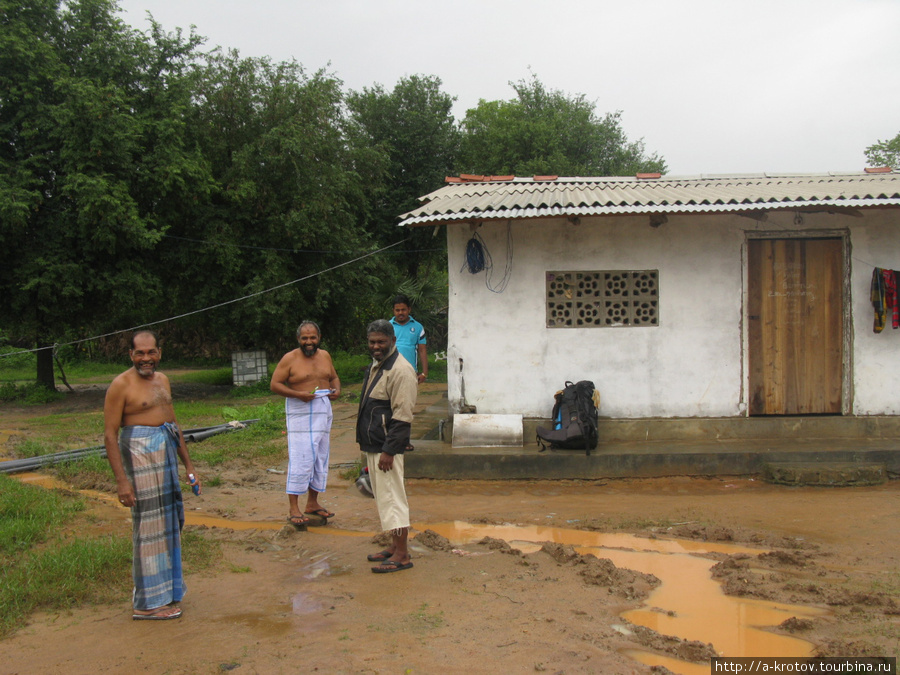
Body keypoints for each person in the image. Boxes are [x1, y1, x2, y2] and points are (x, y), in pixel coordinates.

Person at [103, 330, 200, 621]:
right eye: (140, 353)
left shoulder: (163, 380)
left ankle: (167, 593)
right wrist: (122, 481)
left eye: (151, 352)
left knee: (170, 525)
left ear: (159, 352)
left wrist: (189, 465)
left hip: (166, 456)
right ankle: (146, 604)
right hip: (140, 458)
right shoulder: (121, 385)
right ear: (131, 355)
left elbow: (172, 423)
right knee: (148, 529)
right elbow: (110, 435)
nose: (146, 358)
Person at [356, 319, 418, 573]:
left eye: (381, 341)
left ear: (393, 340)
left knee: (394, 500)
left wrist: (389, 451)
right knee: (385, 498)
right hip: (375, 445)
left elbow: (403, 416)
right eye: (372, 342)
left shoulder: (401, 371)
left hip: (387, 448)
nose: (376, 346)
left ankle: (402, 554)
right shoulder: (379, 364)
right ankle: (394, 546)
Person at [270, 321, 341, 526]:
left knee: (320, 457)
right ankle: (294, 508)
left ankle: (313, 503)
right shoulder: (289, 359)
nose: (309, 342)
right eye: (305, 338)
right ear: (298, 339)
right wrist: (297, 395)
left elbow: (334, 377)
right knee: (301, 458)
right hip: (300, 412)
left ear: (318, 338)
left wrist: (336, 389)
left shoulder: (325, 355)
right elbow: (275, 384)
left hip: (322, 410)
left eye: (312, 338)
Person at [389, 294, 428, 384]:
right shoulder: (387, 326)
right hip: (390, 371)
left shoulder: (418, 327)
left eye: (403, 310)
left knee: (409, 398)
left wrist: (424, 373)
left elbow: (422, 350)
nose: (400, 313)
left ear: (409, 309)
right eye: (397, 310)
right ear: (393, 311)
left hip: (410, 371)